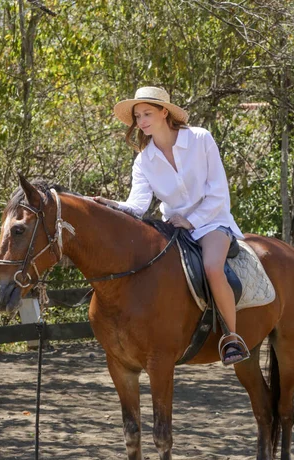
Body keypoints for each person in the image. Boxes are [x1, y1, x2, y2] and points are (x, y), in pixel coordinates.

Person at [93, 86, 248, 366]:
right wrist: (110, 205)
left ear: (165, 112)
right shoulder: (143, 161)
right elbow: (137, 205)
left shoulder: (201, 139)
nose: (141, 121)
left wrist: (193, 220)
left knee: (213, 267)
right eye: (138, 116)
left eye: (147, 113)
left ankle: (232, 338)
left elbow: (218, 193)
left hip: (212, 221)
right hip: (175, 228)